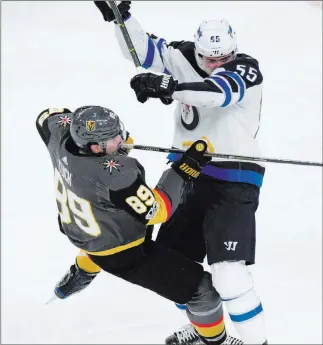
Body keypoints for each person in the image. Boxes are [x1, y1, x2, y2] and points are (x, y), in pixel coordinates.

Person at [93, 2, 268, 345]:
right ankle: (204, 325)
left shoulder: (246, 69)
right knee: (175, 269)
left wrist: (168, 87)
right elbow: (142, 52)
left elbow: (218, 93)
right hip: (186, 172)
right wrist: (122, 19)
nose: (217, 64)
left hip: (234, 179)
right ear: (198, 50)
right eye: (209, 59)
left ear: (233, 49)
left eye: (224, 57)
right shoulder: (182, 55)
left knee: (229, 275)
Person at [37, 105, 242, 345]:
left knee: (106, 226)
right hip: (123, 252)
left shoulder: (59, 135)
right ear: (94, 148)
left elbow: (47, 115)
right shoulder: (114, 177)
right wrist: (184, 169)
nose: (122, 139)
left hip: (85, 228)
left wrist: (100, 135)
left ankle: (82, 271)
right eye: (114, 139)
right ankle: (216, 342)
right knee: (204, 291)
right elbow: (158, 209)